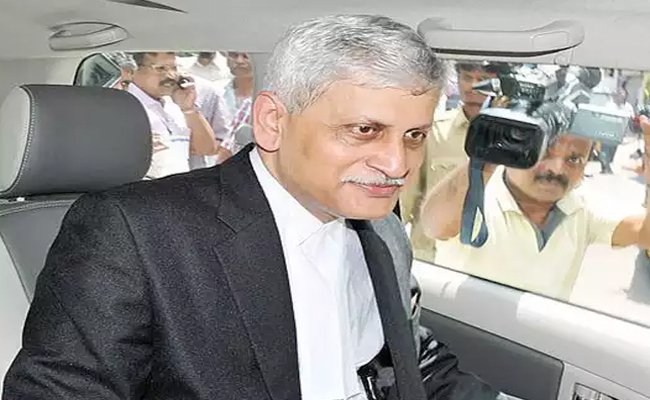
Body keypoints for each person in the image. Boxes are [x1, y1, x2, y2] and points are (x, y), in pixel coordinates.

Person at [2, 15, 516, 400]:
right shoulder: (134, 233)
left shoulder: (382, 231)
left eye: (414, 136)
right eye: (364, 130)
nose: (396, 164)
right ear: (273, 122)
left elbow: (409, 362)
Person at [420, 103, 650, 300]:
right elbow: (434, 225)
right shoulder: (476, 195)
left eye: (574, 159)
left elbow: (645, 234)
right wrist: (488, 153)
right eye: (543, 153)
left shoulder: (580, 207)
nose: (557, 169)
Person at [400, 61, 509, 263]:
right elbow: (405, 203)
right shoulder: (432, 132)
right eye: (467, 77)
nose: (472, 86)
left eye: (483, 79)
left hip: (484, 264)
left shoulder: (515, 140)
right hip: (431, 262)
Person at [126, 52, 221, 178]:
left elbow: (206, 149)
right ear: (131, 72)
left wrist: (189, 109)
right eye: (160, 68)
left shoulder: (173, 105)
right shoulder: (125, 108)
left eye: (174, 68)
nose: (171, 75)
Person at [219, 51, 255, 156]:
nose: (239, 61)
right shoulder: (215, 92)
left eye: (246, 56)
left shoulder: (270, 98)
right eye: (234, 55)